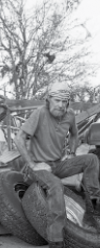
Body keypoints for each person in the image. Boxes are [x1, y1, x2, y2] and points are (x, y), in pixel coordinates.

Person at [12, 81, 100, 248]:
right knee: (56, 186)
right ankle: (55, 240)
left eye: (64, 101)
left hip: (58, 165)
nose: (60, 105)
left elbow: (74, 135)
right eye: (57, 100)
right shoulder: (39, 114)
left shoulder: (70, 115)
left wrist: (72, 153)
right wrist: (32, 163)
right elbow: (18, 139)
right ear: (48, 99)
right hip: (38, 167)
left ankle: (93, 212)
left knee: (92, 160)